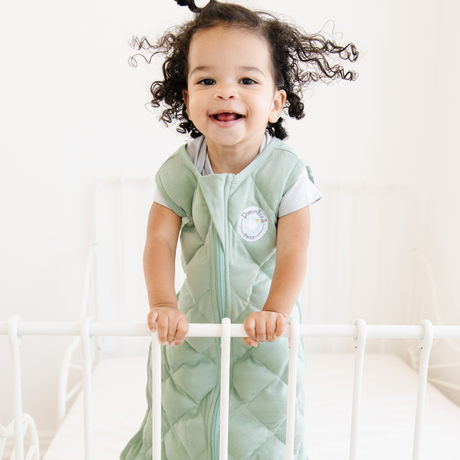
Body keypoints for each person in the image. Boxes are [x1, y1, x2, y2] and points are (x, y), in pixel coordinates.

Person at [120, 1, 358, 459]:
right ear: (186, 99)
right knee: (181, 418)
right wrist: (164, 303)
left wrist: (275, 310)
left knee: (265, 426)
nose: (226, 92)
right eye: (207, 81)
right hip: (193, 328)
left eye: (247, 80)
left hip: (266, 329)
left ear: (275, 104)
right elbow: (159, 240)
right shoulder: (180, 171)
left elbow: (295, 250)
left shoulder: (287, 173)